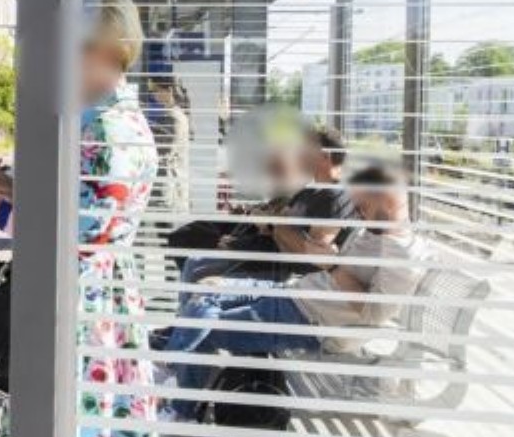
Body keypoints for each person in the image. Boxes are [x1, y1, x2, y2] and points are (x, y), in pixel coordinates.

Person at [0, 0, 164, 437]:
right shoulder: (112, 118)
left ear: (105, 47)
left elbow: (78, 239)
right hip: (102, 309)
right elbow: (76, 208)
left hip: (83, 317)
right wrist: (5, 185)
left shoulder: (106, 128)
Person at [159, 165, 428, 421]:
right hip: (296, 293)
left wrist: (332, 264)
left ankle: (181, 409)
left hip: (310, 323)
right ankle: (173, 366)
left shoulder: (402, 256)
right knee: (207, 288)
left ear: (385, 199)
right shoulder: (374, 230)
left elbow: (373, 313)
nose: (357, 211)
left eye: (362, 204)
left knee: (203, 329)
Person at [180, 124, 357, 291]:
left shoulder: (335, 196)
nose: (300, 154)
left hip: (278, 269)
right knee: (193, 256)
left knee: (198, 264)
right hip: (264, 252)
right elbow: (278, 225)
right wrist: (263, 230)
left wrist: (272, 228)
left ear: (324, 156)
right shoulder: (310, 191)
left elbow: (310, 258)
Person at [149, 74, 192, 217]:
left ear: (169, 90)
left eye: (156, 90)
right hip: (171, 184)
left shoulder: (174, 117)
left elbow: (165, 151)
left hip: (170, 186)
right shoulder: (174, 115)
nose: (154, 94)